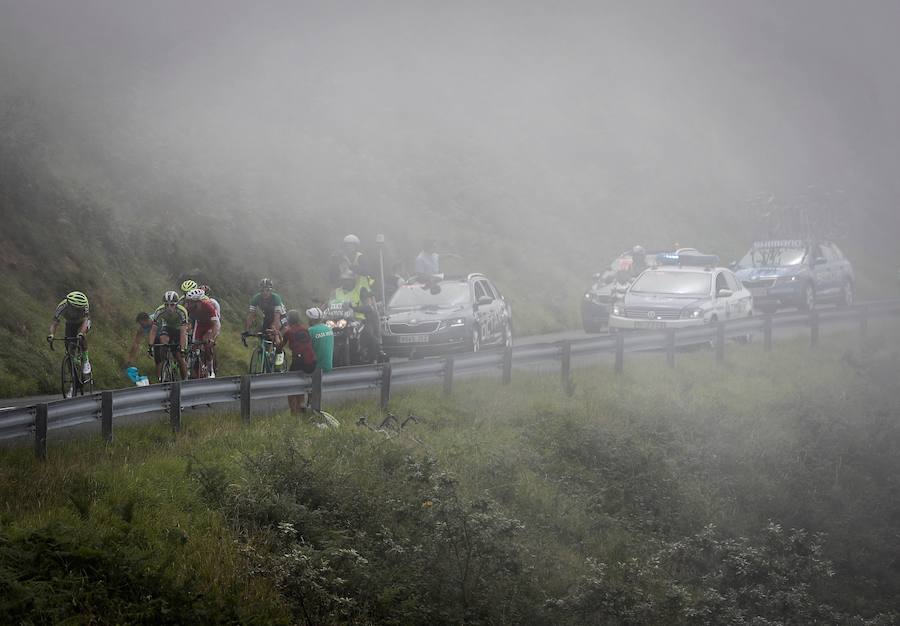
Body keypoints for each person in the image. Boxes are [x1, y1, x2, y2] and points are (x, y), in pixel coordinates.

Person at [330, 270, 381, 362]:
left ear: (353, 280)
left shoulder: (360, 291)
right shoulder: (335, 292)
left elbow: (368, 307)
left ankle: (373, 356)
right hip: (339, 321)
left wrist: (354, 308)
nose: (346, 282)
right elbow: (328, 304)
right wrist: (321, 312)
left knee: (370, 335)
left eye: (349, 280)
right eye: (345, 280)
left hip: (358, 321)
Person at [276, 309, 317, 414]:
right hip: (312, 361)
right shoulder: (305, 329)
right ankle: (302, 404)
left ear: (289, 320)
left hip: (299, 360)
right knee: (300, 382)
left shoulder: (288, 332)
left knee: (291, 386)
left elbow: (279, 348)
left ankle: (293, 412)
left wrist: (277, 336)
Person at [47, 291, 92, 377]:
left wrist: (81, 334)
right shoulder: (62, 306)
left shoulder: (85, 306)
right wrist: (52, 334)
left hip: (82, 322)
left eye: (79, 309)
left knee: (82, 337)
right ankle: (73, 381)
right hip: (70, 323)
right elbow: (55, 323)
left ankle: (86, 360)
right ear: (69, 304)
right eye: (74, 308)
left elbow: (86, 321)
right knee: (69, 349)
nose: (76, 311)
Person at [244, 277, 287, 366]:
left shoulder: (276, 298)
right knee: (264, 336)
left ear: (271, 290)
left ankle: (279, 352)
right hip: (268, 316)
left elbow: (277, 317)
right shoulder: (256, 298)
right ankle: (266, 356)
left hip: (281, 316)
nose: (265, 292)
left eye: (267, 290)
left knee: (274, 332)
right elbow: (251, 315)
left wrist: (274, 331)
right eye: (263, 290)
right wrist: (247, 330)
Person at [147, 291, 189, 381]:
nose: (169, 308)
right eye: (167, 305)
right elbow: (153, 330)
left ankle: (185, 380)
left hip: (179, 330)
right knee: (163, 343)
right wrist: (150, 346)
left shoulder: (182, 311)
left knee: (179, 357)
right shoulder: (159, 311)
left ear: (176, 304)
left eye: (172, 305)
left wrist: (182, 349)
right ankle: (164, 368)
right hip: (167, 328)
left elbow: (183, 332)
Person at [184, 287, 220, 377]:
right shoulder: (189, 307)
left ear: (198, 302)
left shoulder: (209, 306)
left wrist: (211, 338)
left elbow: (216, 324)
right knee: (193, 345)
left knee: (207, 344)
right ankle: (189, 368)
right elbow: (186, 321)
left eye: (191, 302)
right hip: (199, 324)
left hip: (211, 325)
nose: (188, 304)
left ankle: (211, 371)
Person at [306, 307, 334, 372]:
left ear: (311, 319)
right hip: (328, 367)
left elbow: (306, 351)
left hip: (316, 369)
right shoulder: (329, 329)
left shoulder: (310, 331)